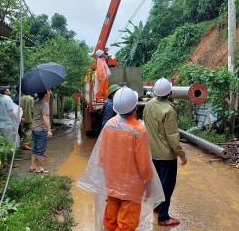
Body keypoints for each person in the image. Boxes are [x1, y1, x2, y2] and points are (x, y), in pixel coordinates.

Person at [78, 86, 164, 231]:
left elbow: (101, 157)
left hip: (112, 186)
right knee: (126, 226)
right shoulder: (139, 130)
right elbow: (144, 166)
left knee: (110, 222)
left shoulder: (109, 125)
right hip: (132, 190)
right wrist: (149, 186)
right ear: (135, 106)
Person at [143, 77, 188, 227]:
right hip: (166, 156)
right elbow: (173, 137)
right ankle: (163, 217)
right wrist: (181, 154)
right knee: (166, 186)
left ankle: (157, 208)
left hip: (152, 152)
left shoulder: (148, 105)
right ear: (169, 92)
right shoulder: (169, 110)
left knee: (156, 183)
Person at [0, 85, 20, 168]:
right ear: (5, 91)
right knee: (10, 145)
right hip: (7, 125)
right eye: (8, 89)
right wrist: (19, 117)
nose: (9, 90)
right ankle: (9, 163)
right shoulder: (8, 99)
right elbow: (10, 112)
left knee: (0, 144)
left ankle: (1, 163)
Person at [29, 90, 52, 173]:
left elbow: (45, 106)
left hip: (34, 128)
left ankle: (33, 166)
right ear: (45, 94)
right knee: (40, 150)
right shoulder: (44, 104)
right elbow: (45, 117)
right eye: (48, 92)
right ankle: (40, 168)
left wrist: (48, 97)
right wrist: (49, 130)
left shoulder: (36, 102)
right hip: (41, 129)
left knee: (35, 148)